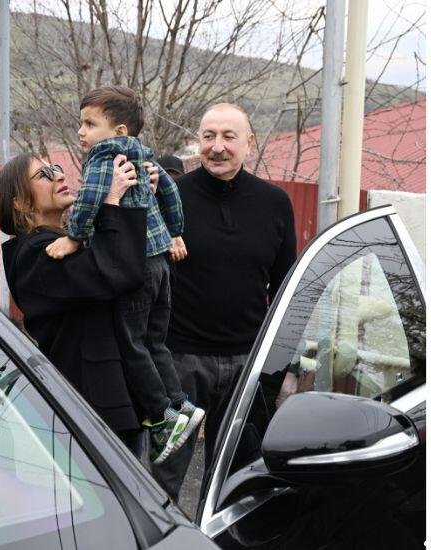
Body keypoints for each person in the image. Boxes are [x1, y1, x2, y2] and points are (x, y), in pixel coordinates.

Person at [45, 86, 201, 464]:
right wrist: (175, 231)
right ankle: (181, 404)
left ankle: (163, 418)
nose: (81, 132)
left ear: (118, 131)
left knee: (131, 343)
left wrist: (73, 236)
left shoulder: (104, 158)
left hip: (138, 264)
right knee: (155, 341)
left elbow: (89, 200)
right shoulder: (145, 155)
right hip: (161, 261)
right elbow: (172, 195)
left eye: (90, 124)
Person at [153, 103, 297, 499]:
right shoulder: (170, 198)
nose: (217, 147)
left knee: (234, 481)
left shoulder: (274, 203)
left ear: (249, 143)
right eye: (208, 136)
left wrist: (286, 365)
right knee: (160, 476)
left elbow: (286, 290)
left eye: (228, 137)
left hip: (247, 365)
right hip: (176, 363)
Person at [0, 152, 149, 456]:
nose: (60, 176)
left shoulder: (60, 244)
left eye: (56, 169)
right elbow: (120, 273)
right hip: (94, 413)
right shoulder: (35, 256)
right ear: (20, 203)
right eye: (43, 175)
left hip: (107, 407)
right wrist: (113, 201)